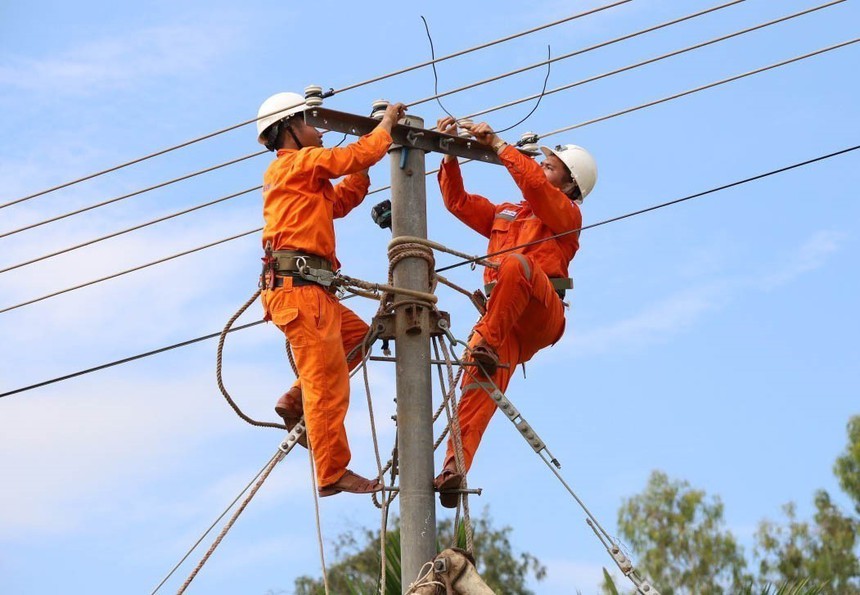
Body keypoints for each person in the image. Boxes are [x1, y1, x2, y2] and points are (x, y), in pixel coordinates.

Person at [433, 116, 598, 507]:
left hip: (540, 313)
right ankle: (454, 470)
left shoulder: (566, 216)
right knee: (475, 385)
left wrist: (499, 146)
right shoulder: (506, 214)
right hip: (502, 319)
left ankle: (486, 343)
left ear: (571, 184)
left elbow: (536, 187)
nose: (543, 167)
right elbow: (457, 202)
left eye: (551, 165)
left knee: (514, 266)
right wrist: (449, 154)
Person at [256, 91, 406, 497]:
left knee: (357, 338)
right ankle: (331, 471)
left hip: (312, 291)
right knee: (327, 385)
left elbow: (340, 200)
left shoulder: (304, 179)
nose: (320, 132)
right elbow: (351, 157)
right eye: (310, 123)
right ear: (288, 131)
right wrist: (385, 126)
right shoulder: (296, 164)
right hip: (300, 291)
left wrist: (367, 163)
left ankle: (295, 399)